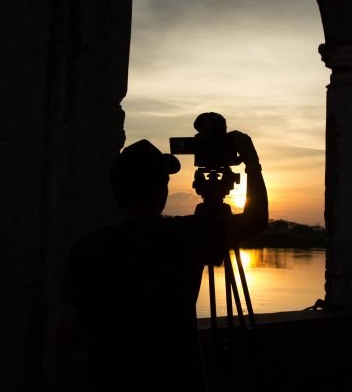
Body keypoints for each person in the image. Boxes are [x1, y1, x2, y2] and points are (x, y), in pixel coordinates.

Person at [52, 128, 268, 391]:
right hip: (174, 377)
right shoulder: (186, 236)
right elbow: (256, 219)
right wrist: (251, 162)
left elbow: (63, 334)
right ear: (159, 194)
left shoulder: (85, 248)